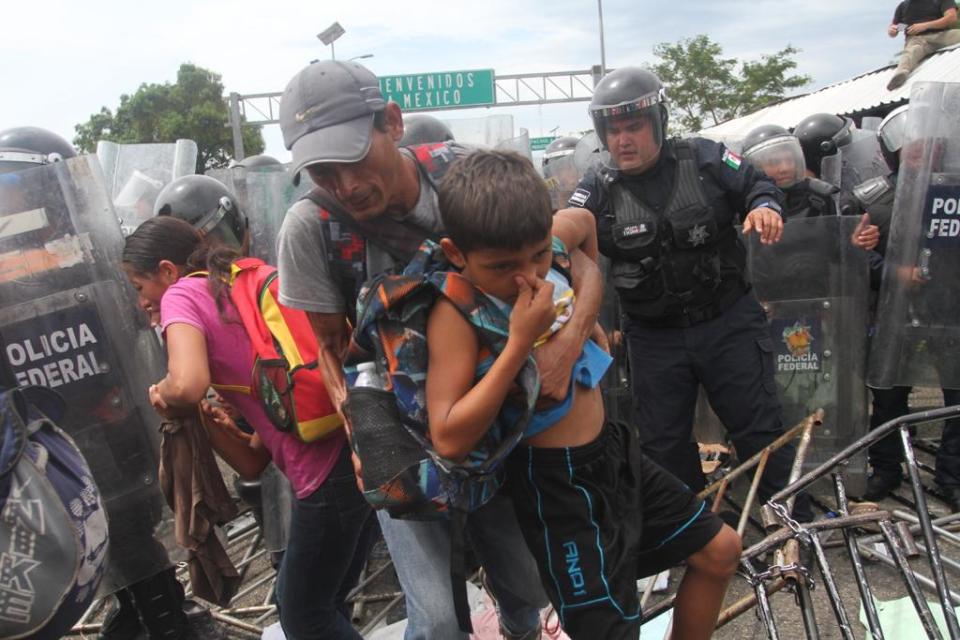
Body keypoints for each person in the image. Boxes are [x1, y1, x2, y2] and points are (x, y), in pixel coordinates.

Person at [275, 59, 603, 639]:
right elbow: (330, 350)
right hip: (404, 433)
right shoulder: (310, 228)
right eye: (323, 171)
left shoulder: (468, 175)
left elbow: (568, 255)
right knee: (435, 618)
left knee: (525, 584)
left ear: (392, 123)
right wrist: (365, 436)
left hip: (496, 415)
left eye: (352, 159)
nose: (345, 185)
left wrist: (568, 340)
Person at [428, 149, 741, 640]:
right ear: (455, 254)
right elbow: (447, 436)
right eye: (501, 267)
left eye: (537, 256)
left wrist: (583, 317)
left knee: (720, 550)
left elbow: (585, 222)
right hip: (557, 488)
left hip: (612, 452)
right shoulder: (456, 314)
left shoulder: (544, 241)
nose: (527, 276)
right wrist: (517, 343)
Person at [564, 67, 813, 522]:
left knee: (759, 427)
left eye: (634, 126)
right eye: (614, 130)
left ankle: (793, 521)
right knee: (662, 443)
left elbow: (756, 184)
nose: (623, 140)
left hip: (728, 322)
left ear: (657, 121)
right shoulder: (597, 184)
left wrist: (764, 207)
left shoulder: (703, 158)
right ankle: (690, 531)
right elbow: (569, 223)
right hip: (654, 336)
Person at [122, 216, 378, 640]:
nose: (142, 302)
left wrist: (162, 391)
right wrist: (206, 417)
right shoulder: (235, 287)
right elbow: (253, 461)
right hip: (354, 452)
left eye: (139, 288)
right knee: (324, 602)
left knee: (301, 613)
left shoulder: (183, 293)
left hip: (327, 476)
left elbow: (185, 383)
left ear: (167, 271)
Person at [0, 126, 188, 640]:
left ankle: (170, 622)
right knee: (82, 534)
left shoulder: (87, 254)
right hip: (53, 430)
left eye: (13, 187)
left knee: (127, 530)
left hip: (112, 425)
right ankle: (135, 609)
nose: (7, 202)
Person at [853, 105, 960, 507]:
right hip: (892, 311)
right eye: (912, 144)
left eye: (929, 143)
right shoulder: (873, 198)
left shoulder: (953, 187)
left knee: (956, 395)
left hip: (948, 310)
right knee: (887, 396)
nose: (921, 151)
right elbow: (853, 255)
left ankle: (951, 475)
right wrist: (894, 271)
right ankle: (885, 469)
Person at [741, 123, 840, 219]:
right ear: (756, 167)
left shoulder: (821, 196)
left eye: (789, 159)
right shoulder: (743, 209)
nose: (785, 168)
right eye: (774, 162)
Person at [886, 0, 960, 90]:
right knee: (911, 51)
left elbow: (951, 18)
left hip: (942, 35)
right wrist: (893, 30)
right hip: (917, 40)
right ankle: (900, 75)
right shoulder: (903, 6)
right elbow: (898, 27)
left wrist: (925, 26)